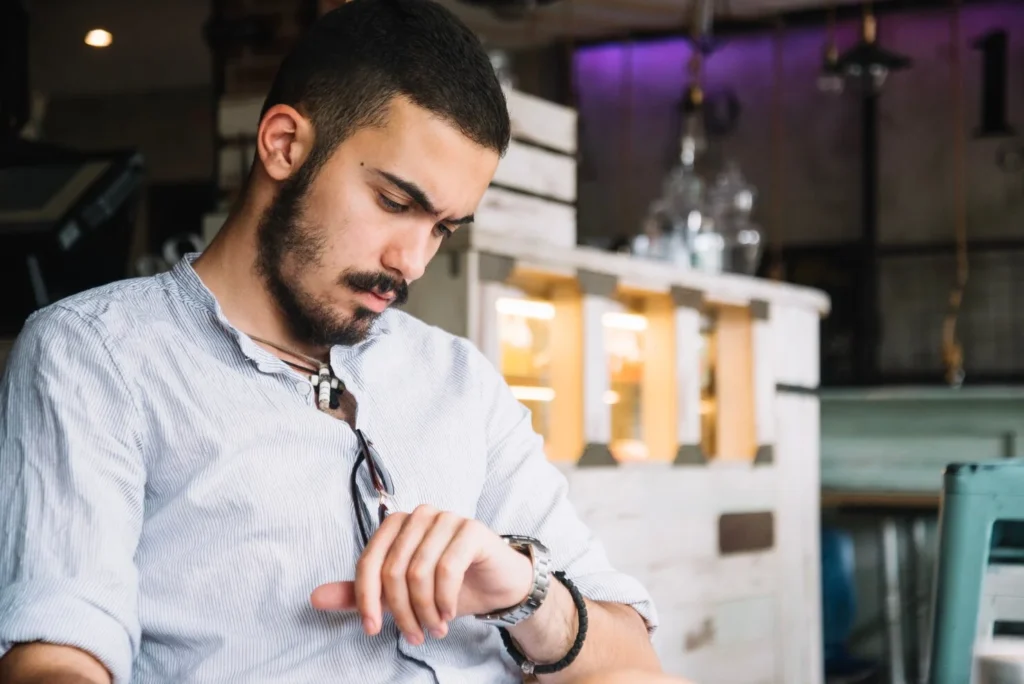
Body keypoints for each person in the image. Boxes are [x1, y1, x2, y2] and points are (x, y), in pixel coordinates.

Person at [0, 0, 661, 682]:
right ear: (285, 144)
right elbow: (56, 658)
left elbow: (635, 654)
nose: (413, 261)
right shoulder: (97, 356)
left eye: (443, 228)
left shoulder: (457, 377)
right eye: (396, 204)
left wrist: (524, 595)